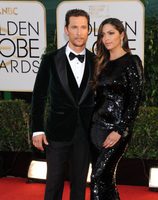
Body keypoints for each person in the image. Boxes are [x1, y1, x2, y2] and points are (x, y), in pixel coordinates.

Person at [31, 9, 95, 200]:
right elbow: (39, 96)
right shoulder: (50, 59)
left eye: (83, 27)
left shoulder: (96, 61)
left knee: (79, 186)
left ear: (89, 30)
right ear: (66, 30)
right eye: (74, 27)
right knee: (53, 185)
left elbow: (101, 100)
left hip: (85, 133)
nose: (79, 32)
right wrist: (37, 130)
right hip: (56, 133)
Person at [90, 18, 144, 200]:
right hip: (96, 128)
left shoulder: (132, 61)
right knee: (106, 179)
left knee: (96, 177)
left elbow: (135, 99)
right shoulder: (100, 64)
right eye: (103, 34)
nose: (106, 38)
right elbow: (95, 99)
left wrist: (120, 129)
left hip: (116, 131)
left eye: (111, 33)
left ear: (122, 35)